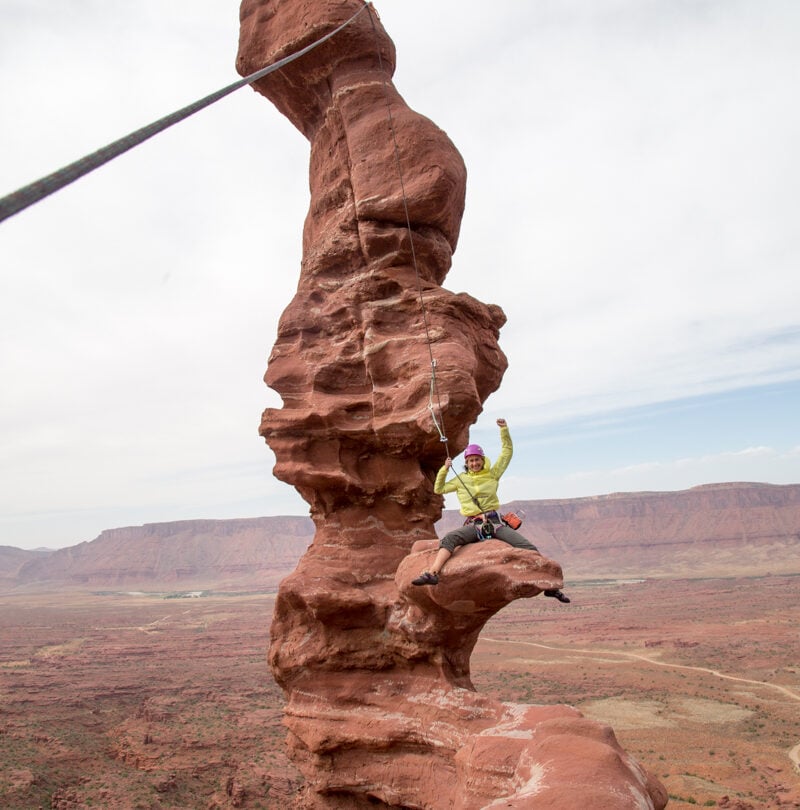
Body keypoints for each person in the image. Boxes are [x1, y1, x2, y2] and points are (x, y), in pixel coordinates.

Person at [412, 418, 570, 603]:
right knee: (450, 539)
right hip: (474, 524)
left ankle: (551, 586)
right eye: (470, 461)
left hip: (494, 523)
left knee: (529, 548)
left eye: (477, 460)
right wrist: (444, 470)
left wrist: (504, 430)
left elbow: (507, 453)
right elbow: (439, 489)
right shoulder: (460, 479)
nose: (474, 463)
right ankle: (433, 573)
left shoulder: (492, 474)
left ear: (482, 460)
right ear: (467, 463)